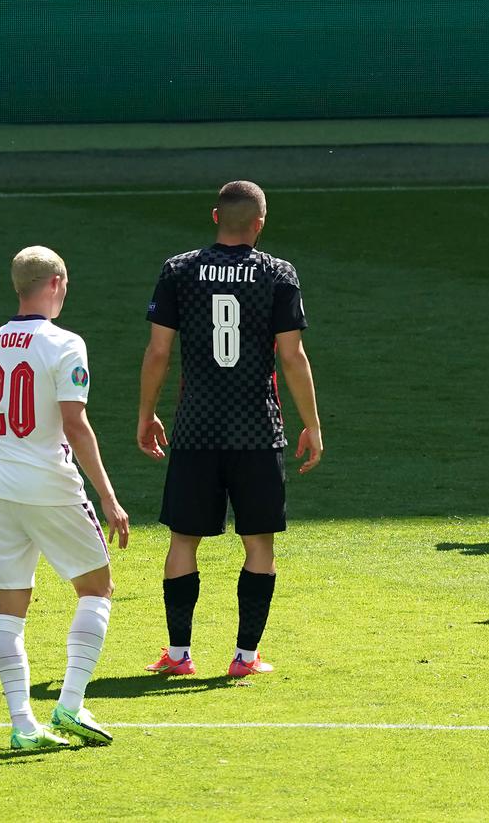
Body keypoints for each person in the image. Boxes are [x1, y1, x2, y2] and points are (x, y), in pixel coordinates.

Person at [138, 180, 322, 679]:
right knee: (259, 543)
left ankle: (178, 655)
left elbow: (158, 352)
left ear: (215, 216)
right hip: (257, 430)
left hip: (196, 429)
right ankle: (244, 658)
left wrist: (145, 414)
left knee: (183, 541)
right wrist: (312, 424)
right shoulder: (279, 274)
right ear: (259, 224)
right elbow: (292, 355)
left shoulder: (179, 270)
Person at [0, 246, 129, 750]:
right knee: (96, 588)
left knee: (9, 607)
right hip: (51, 485)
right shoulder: (65, 343)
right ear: (57, 283)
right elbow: (74, 423)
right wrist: (107, 495)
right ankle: (70, 703)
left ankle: (23, 726)